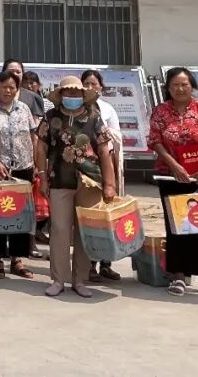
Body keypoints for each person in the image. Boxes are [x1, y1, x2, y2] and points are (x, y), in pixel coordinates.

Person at [35, 75, 117, 298]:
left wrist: (109, 185)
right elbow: (41, 148)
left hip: (90, 182)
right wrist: (42, 177)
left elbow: (104, 152)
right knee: (59, 230)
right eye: (68, 92)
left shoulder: (94, 117)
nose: (72, 96)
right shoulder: (50, 117)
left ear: (83, 94)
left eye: (76, 92)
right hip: (59, 180)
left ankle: (79, 280)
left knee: (84, 231)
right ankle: (58, 279)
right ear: (61, 95)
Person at [148, 67, 198, 299]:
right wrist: (174, 166)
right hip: (171, 176)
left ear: (192, 86)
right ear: (168, 88)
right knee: (177, 227)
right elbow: (155, 141)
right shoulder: (160, 111)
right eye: (175, 85)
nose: (180, 89)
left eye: (184, 84)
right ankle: (179, 275)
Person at [0, 70, 37, 281]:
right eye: (4, 87)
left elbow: (33, 136)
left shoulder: (24, 108)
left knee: (20, 214)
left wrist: (36, 164)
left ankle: (17, 259)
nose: (8, 91)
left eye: (12, 87)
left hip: (23, 168)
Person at [81, 68, 124, 283]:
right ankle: (89, 265)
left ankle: (107, 263)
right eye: (86, 84)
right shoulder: (78, 109)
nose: (90, 87)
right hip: (86, 171)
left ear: (101, 86)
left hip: (107, 166)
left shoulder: (107, 109)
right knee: (91, 218)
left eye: (94, 84)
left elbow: (116, 137)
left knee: (109, 216)